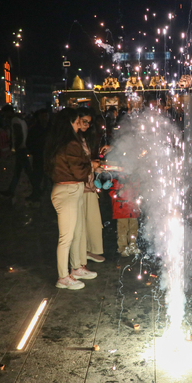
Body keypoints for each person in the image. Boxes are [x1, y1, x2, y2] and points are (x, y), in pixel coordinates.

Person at [45, 108, 97, 290]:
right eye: (76, 122)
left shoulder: (59, 142)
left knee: (77, 232)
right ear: (69, 123)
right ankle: (63, 277)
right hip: (67, 191)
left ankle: (76, 268)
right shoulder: (70, 144)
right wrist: (91, 165)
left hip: (71, 189)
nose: (78, 126)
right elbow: (79, 170)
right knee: (66, 237)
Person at [77, 107, 106, 263]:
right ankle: (82, 254)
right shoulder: (73, 140)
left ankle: (90, 250)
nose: (86, 125)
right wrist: (91, 165)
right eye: (83, 122)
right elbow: (75, 164)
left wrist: (95, 165)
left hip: (88, 183)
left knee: (92, 219)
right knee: (84, 220)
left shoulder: (84, 138)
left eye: (89, 122)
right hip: (80, 184)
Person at [0, 105, 33, 198]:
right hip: (22, 147)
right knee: (18, 171)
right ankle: (11, 190)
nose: (5, 116)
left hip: (20, 149)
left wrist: (15, 148)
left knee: (28, 171)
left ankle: (37, 188)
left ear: (9, 112)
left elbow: (18, 136)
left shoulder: (15, 120)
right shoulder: (21, 119)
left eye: (5, 113)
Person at [109, 176, 141, 257]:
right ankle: (123, 247)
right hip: (121, 209)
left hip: (132, 208)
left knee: (134, 228)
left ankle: (132, 246)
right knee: (122, 229)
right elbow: (111, 192)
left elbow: (138, 190)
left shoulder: (134, 177)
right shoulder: (116, 178)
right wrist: (119, 192)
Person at [25, 108, 50, 203]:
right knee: (37, 177)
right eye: (43, 116)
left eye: (46, 115)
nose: (45, 118)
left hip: (49, 157)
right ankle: (36, 194)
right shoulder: (34, 129)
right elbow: (29, 142)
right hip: (38, 156)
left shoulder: (51, 128)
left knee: (50, 178)